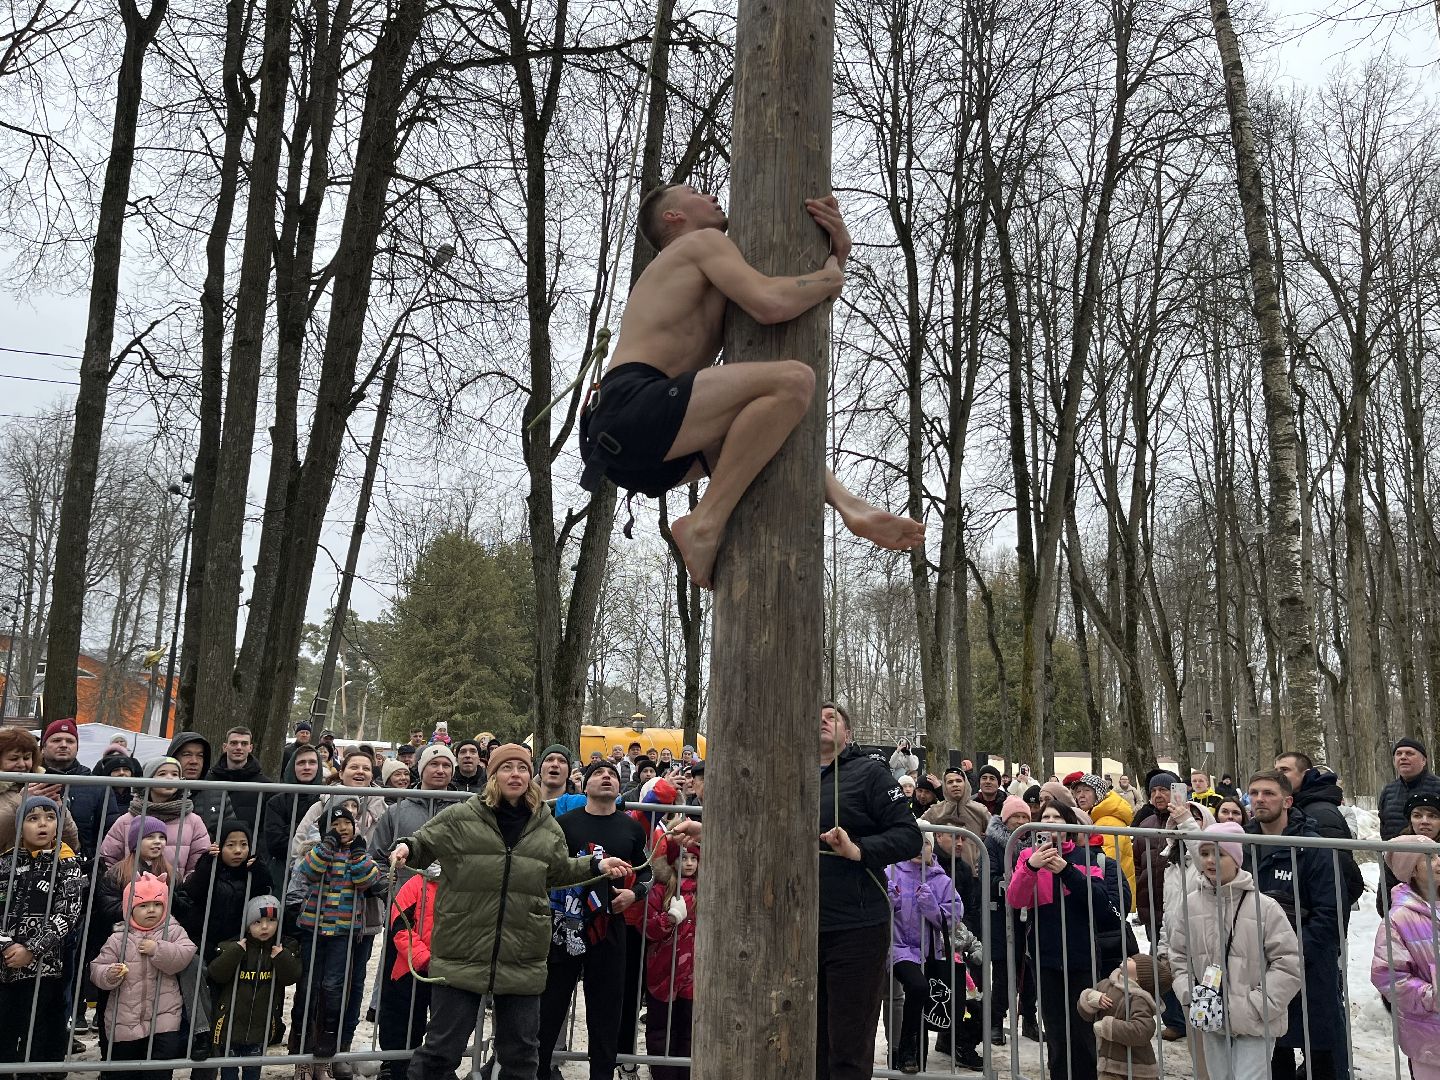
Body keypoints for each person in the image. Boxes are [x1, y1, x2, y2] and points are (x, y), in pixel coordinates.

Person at [578, 185, 924, 589]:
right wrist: (832, 276)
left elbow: (792, 302)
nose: (710, 196)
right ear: (673, 216)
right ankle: (705, 522)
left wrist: (837, 256)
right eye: (695, 193)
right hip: (630, 405)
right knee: (793, 381)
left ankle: (852, 507)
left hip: (640, 450)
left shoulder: (698, 272)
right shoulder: (701, 243)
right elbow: (770, 302)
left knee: (760, 431)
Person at [386, 743, 632, 1080]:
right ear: (493, 775)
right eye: (506, 767)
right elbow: (424, 842)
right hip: (463, 947)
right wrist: (406, 847)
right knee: (441, 1050)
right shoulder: (462, 816)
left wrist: (595, 865)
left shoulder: (545, 824)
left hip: (522, 951)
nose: (515, 774)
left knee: (521, 1055)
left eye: (522, 768)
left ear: (530, 776)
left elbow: (558, 871)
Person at [817, 702, 924, 1080]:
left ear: (848, 734)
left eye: (831, 717)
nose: (822, 720)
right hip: (798, 925)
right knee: (807, 1040)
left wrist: (858, 850)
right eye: (815, 716)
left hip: (856, 927)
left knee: (848, 1044)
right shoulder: (788, 774)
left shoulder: (870, 773)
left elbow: (909, 836)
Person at [537, 758, 651, 1080]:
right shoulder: (564, 823)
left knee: (605, 1014)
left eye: (612, 774)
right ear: (584, 785)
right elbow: (548, 869)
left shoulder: (631, 828)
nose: (606, 777)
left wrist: (633, 895)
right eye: (598, 773)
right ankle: (538, 1073)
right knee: (549, 1010)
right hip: (564, 928)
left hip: (609, 929)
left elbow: (648, 873)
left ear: (619, 787)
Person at [1170, 822, 1301, 1080]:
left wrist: (1259, 1004)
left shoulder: (1265, 907)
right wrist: (1191, 993)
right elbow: (1178, 955)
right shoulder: (1190, 905)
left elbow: (1288, 962)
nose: (1210, 860)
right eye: (1205, 853)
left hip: (1255, 1020)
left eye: (1219, 854)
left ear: (1236, 859)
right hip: (1210, 1015)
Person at [1006, 800, 1123, 1080]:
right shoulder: (1027, 857)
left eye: (1057, 817)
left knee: (1083, 1030)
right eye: (1045, 817)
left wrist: (1066, 870)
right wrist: (1031, 867)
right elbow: (1016, 899)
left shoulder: (1086, 857)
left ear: (1069, 826)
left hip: (1082, 955)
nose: (1049, 821)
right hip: (1045, 957)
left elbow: (1098, 902)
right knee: (1056, 1032)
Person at [1243, 770, 1345, 1080]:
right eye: (1254, 793)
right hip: (1257, 967)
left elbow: (1329, 913)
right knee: (1273, 1055)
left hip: (1309, 965)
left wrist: (1292, 955)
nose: (1260, 799)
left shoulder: (1313, 846)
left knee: (1321, 1053)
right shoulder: (1240, 844)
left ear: (1287, 801)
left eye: (1269, 793)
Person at [175, 819, 275, 1060]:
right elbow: (193, 893)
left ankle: (223, 1046)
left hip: (234, 946)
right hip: (203, 941)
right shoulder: (209, 866)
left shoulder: (254, 871)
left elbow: (264, 899)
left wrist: (260, 871)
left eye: (243, 844)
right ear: (218, 846)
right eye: (231, 845)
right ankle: (201, 1034)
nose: (238, 850)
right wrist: (208, 863)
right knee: (193, 971)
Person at [292, 805, 381, 1076]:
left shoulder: (358, 854)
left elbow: (367, 880)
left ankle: (327, 1043)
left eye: (347, 823)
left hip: (343, 931)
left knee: (333, 986)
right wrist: (326, 845)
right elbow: (309, 870)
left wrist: (358, 854)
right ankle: (301, 1050)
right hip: (313, 929)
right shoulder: (318, 851)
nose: (342, 828)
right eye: (334, 824)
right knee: (308, 986)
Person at [0, 796, 85, 1073]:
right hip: (4, 965)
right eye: (33, 818)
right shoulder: (5, 862)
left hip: (44, 970)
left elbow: (68, 913)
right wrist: (6, 946)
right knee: (4, 1031)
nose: (43, 824)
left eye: (50, 817)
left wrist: (31, 949)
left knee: (38, 1033)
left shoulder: (67, 863)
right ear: (19, 826)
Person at [884, 832, 981, 1073]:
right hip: (897, 948)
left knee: (921, 1009)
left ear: (932, 847)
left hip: (928, 953)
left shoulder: (942, 880)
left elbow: (954, 917)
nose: (920, 847)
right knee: (917, 987)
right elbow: (873, 908)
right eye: (915, 841)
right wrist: (888, 902)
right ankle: (905, 1049)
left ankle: (917, 1063)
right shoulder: (891, 872)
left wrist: (932, 909)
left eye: (925, 842)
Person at [90, 872, 199, 1080]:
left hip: (164, 1018)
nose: (151, 910)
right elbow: (97, 968)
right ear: (129, 908)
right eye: (143, 905)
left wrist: (157, 949)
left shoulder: (173, 931)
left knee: (159, 1071)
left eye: (157, 904)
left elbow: (186, 953)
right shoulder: (118, 938)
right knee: (126, 1071)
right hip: (125, 1019)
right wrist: (109, 974)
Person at [207, 895, 301, 1079]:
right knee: (229, 1072)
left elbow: (291, 977)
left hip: (260, 1028)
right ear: (247, 924)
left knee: (252, 1071)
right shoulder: (232, 946)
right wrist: (234, 952)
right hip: (230, 1027)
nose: (265, 927)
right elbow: (216, 974)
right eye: (257, 922)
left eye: (271, 920)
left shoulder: (283, 948)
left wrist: (281, 957)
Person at [1371, 837, 1440, 1080]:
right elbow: (1388, 976)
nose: (1439, 861)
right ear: (1411, 870)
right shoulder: (1398, 920)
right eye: (1429, 857)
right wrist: (1432, 996)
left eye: (1438, 854)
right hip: (1430, 1037)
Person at [1273, 751, 1364, 930]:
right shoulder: (1295, 807)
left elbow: (1340, 870)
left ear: (1305, 774)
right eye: (1275, 770)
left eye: (1284, 770)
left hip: (1316, 920)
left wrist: (1321, 916)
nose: (1277, 776)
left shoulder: (1320, 812)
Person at [98, 757, 212, 877]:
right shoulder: (126, 821)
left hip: (176, 888)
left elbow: (198, 867)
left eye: (175, 774)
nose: (170, 778)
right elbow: (108, 861)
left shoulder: (194, 822)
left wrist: (181, 887)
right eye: (162, 774)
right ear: (149, 779)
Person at [643, 838, 698, 1080]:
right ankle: (662, 1073)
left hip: (693, 976)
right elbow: (648, 928)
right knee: (661, 1029)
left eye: (694, 858)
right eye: (684, 857)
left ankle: (687, 1073)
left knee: (688, 1029)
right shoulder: (660, 890)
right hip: (663, 971)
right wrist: (670, 918)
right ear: (673, 860)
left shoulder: (704, 891)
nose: (689, 863)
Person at [379, 865, 440, 1080]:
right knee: (404, 1027)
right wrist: (424, 958)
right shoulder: (414, 885)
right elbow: (399, 927)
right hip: (409, 970)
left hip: (445, 970)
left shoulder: (461, 887)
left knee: (442, 1030)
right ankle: (395, 1067)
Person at [985, 796, 1038, 1046]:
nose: (1020, 821)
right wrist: (1016, 882)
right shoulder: (992, 842)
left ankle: (1029, 1018)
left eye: (1024, 816)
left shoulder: (1036, 842)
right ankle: (996, 1021)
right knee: (1003, 972)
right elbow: (989, 876)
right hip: (1002, 915)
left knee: (1029, 971)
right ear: (1005, 819)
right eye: (1015, 816)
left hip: (1029, 916)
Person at [371, 745, 459, 884]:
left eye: (446, 765)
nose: (440, 770)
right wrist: (388, 888)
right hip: (405, 896)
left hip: (451, 895)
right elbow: (377, 857)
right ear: (421, 769)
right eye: (434, 764)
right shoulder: (395, 811)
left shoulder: (464, 811)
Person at [1076, 953, 1170, 1080]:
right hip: (1108, 1064)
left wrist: (1108, 1027)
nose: (1129, 958)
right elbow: (1085, 1015)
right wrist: (1090, 998)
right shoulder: (1106, 984)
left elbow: (1142, 1030)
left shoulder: (1138, 999)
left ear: (1139, 977)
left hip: (1136, 1069)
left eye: (1134, 961)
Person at [1378, 738, 1440, 913]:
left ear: (1423, 760)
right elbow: (1384, 826)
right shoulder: (1388, 791)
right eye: (1399, 754)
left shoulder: (1437, 786)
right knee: (1392, 914)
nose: (1403, 757)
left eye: (1409, 753)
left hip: (1433, 870)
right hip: (1396, 867)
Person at [32, 716, 106, 862]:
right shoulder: (29, 779)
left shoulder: (97, 785)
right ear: (43, 748)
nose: (64, 745)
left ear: (77, 748)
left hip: (80, 864)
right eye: (56, 740)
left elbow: (106, 833)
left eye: (70, 741)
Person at [0, 728, 80, 854]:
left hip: (45, 864)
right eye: (14, 759)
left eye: (27, 758)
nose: (22, 764)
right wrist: (20, 802)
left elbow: (72, 843)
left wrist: (60, 810)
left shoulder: (42, 786)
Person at [192, 727, 274, 840]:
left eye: (244, 744)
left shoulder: (266, 786)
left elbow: (268, 828)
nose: (239, 747)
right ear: (225, 747)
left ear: (250, 748)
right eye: (234, 743)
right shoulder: (206, 781)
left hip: (250, 847)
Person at [1065, 772, 1135, 904]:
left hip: (1110, 894)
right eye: (1078, 791)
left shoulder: (1108, 822)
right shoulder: (1095, 818)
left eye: (1086, 790)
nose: (1081, 795)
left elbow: (1104, 862)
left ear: (1098, 793)